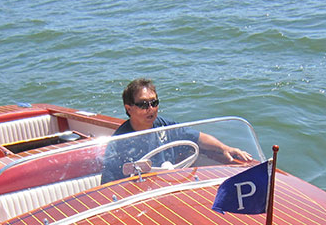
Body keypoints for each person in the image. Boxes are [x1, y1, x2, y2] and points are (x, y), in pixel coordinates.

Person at [100, 78, 253, 183]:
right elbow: (110, 184)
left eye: (154, 103)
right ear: (129, 108)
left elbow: (198, 138)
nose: (151, 109)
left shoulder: (165, 126)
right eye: (143, 104)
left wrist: (225, 148)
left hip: (169, 183)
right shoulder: (118, 143)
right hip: (140, 194)